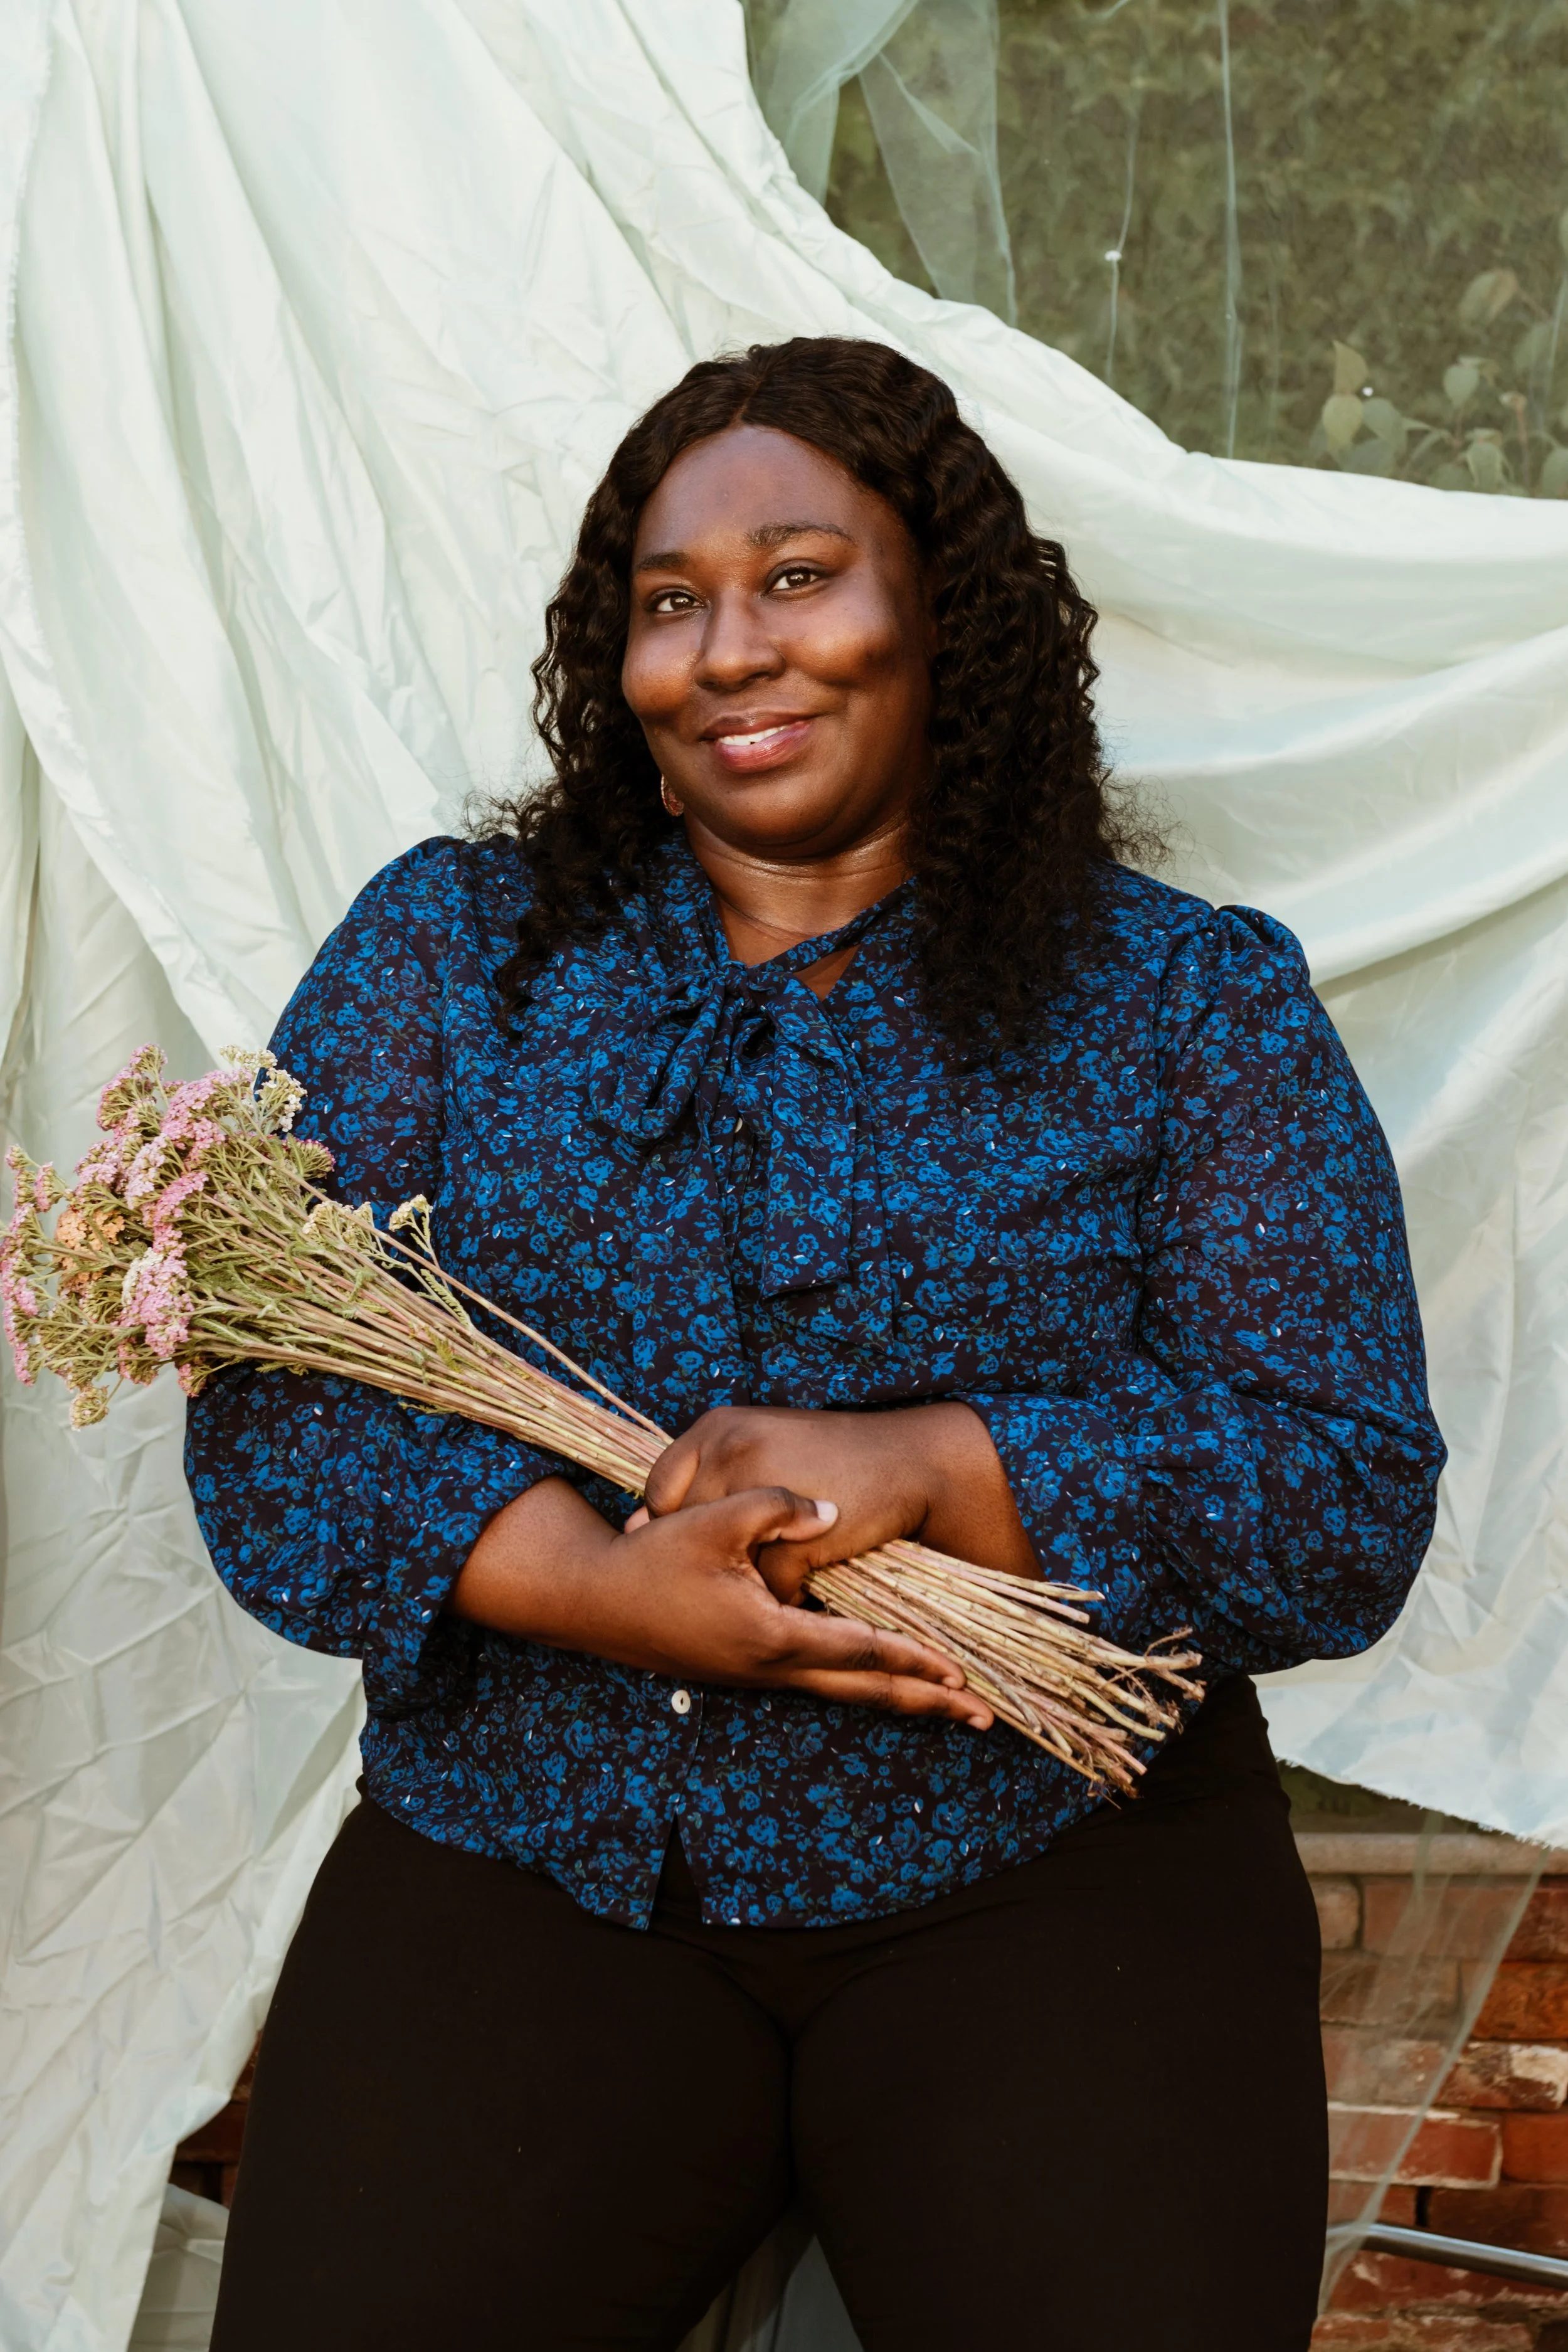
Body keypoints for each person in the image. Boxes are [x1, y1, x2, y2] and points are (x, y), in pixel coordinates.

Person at [187, 337, 1445, 2351]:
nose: (728, 648)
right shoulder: (448, 954)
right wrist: (593, 1585)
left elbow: (1340, 1490)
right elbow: (269, 1410)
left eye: (797, 575)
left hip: (1047, 1871)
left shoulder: (1183, 1001)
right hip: (530, 1852)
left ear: (938, 612)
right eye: (668, 604)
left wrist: (951, 1463)